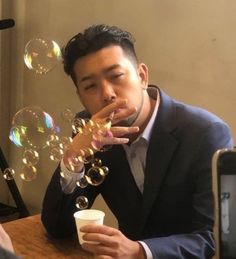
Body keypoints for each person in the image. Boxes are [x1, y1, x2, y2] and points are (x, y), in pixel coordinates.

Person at [41, 24, 233, 258]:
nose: (107, 94)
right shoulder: (91, 131)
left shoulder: (206, 133)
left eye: (116, 76)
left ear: (142, 76)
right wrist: (72, 159)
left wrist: (140, 251)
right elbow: (57, 227)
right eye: (90, 86)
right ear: (80, 96)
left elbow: (214, 237)